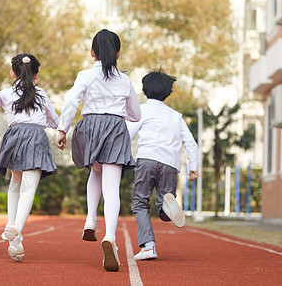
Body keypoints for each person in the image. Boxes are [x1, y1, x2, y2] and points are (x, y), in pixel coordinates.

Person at [55, 29, 141, 272]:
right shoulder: (124, 80)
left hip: (90, 127)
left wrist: (62, 130)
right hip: (114, 127)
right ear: (118, 53)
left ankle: (90, 218)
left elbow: (72, 101)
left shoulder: (85, 75)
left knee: (96, 170)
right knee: (111, 186)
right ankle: (110, 237)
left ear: (92, 53)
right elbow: (135, 114)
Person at [0, 53, 59, 262]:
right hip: (35, 136)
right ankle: (16, 228)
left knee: (15, 181)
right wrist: (61, 130)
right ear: (36, 74)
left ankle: (14, 240)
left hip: (14, 136)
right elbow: (54, 120)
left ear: (12, 73)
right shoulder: (41, 94)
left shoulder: (7, 93)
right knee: (29, 184)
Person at [126, 70, 198, 261]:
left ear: (144, 91)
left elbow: (127, 134)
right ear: (168, 93)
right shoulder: (176, 116)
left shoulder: (141, 110)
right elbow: (190, 142)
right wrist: (194, 167)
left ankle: (148, 246)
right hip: (170, 164)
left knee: (140, 202)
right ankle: (167, 208)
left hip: (147, 159)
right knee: (164, 199)